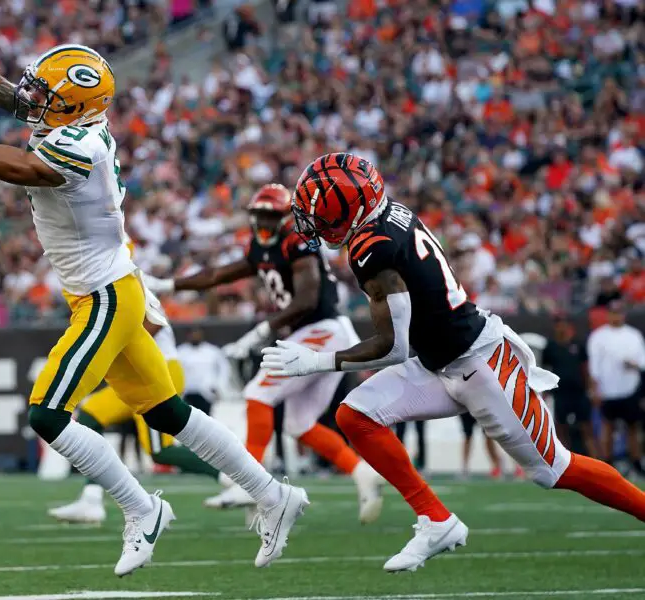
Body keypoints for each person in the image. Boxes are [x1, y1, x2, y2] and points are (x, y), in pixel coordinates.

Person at [0, 15, 307, 575]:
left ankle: (142, 507)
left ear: (75, 105)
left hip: (105, 295)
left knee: (47, 413)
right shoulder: (72, 119)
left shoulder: (79, 150)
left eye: (46, 92)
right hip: (110, 286)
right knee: (169, 413)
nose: (32, 97)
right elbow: (1, 90)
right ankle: (274, 495)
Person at [261, 153, 645, 573]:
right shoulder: (387, 215)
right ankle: (436, 519)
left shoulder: (373, 250)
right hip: (439, 363)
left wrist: (316, 361)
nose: (310, 225)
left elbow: (393, 347)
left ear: (343, 213)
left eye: (317, 216)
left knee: (554, 468)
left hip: (480, 363)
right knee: (355, 415)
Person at [144, 183, 384, 524]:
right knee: (299, 423)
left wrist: (262, 330)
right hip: (319, 333)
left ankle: (250, 482)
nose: (263, 223)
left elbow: (307, 299)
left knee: (258, 392)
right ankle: (361, 471)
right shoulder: (262, 245)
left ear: (285, 217)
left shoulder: (298, 241)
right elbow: (218, 275)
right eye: (259, 215)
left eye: (270, 216)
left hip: (322, 329)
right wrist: (168, 285)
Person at [49, 238, 227, 525]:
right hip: (138, 371)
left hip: (158, 369)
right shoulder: (103, 280)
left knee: (161, 451)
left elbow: (155, 321)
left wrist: (113, 340)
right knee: (92, 414)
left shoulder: (127, 278)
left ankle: (234, 478)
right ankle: (92, 500)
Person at [587, 301, 645, 473]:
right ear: (608, 314)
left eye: (619, 312)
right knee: (607, 426)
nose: (616, 316)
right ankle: (607, 463)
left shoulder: (633, 335)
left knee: (633, 427)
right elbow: (594, 366)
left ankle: (636, 462)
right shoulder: (599, 336)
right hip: (608, 389)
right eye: (613, 312)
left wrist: (633, 364)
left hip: (630, 388)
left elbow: (642, 361)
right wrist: (595, 388)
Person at [542, 315, 599, 458]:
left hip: (579, 393)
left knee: (586, 428)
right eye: (558, 324)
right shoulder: (550, 347)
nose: (561, 328)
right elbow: (545, 370)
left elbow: (586, 369)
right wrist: (545, 392)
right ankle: (565, 464)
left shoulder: (578, 345)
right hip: (560, 394)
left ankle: (598, 462)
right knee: (561, 429)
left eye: (563, 324)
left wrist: (591, 390)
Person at [176, 327, 229, 415]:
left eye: (197, 334)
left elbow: (224, 369)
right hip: (186, 392)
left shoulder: (212, 351)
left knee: (205, 420)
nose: (195, 336)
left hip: (206, 392)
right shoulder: (180, 351)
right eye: (192, 334)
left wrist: (219, 386)